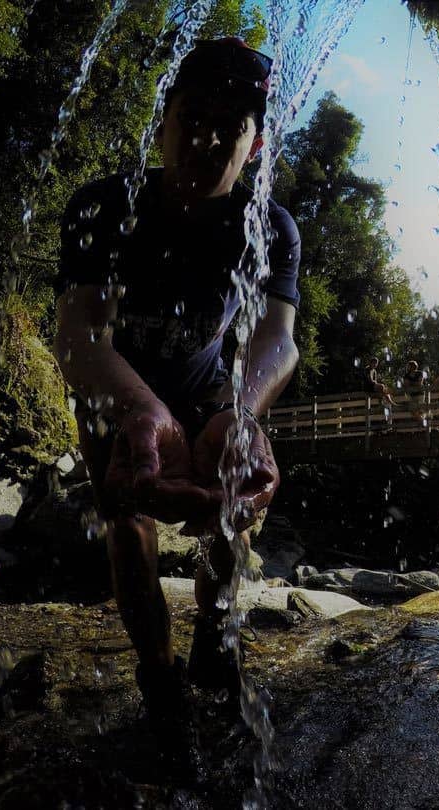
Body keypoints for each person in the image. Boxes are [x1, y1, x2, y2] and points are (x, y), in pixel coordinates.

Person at [52, 38, 299, 761]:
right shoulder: (106, 207)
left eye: (233, 125)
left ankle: (212, 635)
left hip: (207, 388)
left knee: (235, 506)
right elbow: (79, 336)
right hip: (114, 385)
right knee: (126, 523)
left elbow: (278, 341)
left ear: (254, 145)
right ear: (162, 123)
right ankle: (160, 683)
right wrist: (140, 412)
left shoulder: (269, 226)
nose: (207, 139)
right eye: (193, 116)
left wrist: (244, 412)